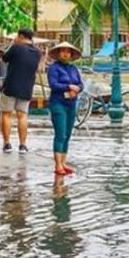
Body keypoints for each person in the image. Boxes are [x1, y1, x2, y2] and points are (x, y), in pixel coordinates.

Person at [0, 28, 42, 154]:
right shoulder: (37, 52)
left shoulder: (16, 48)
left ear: (21, 36)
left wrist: (12, 45)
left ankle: (7, 144)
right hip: (27, 87)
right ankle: (23, 145)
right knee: (22, 115)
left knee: (6, 114)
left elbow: (4, 58)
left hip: (11, 86)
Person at [46, 41, 83, 175]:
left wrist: (78, 88)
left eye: (68, 51)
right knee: (60, 134)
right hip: (58, 103)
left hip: (72, 104)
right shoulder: (53, 68)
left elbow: (80, 84)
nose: (65, 54)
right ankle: (57, 165)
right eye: (63, 51)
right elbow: (54, 85)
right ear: (58, 53)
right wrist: (68, 87)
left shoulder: (73, 69)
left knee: (67, 134)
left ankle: (63, 162)